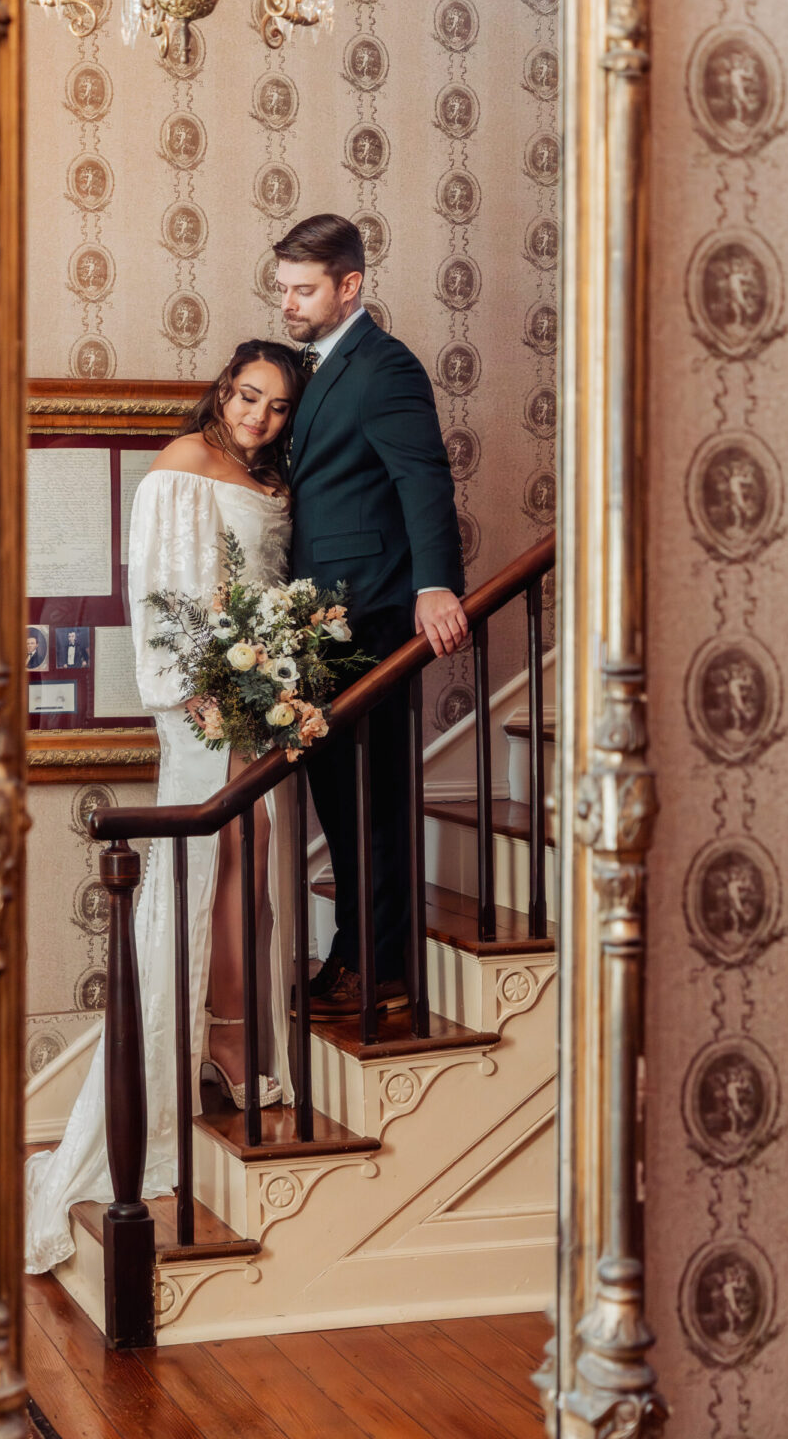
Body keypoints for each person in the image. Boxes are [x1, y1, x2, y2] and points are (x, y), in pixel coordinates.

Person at [25, 340, 306, 1276]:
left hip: (260, 685)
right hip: (205, 694)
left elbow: (261, 587)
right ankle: (192, 1061)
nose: (258, 417)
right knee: (207, 854)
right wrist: (199, 687)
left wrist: (278, 672)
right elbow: (167, 594)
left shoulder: (265, 471)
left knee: (253, 845)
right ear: (223, 389)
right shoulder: (180, 468)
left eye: (276, 406)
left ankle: (231, 1039)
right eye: (248, 396)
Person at [274, 213, 467, 1019]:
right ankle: (352, 951)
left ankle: (381, 968)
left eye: (303, 288)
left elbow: (423, 479)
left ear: (350, 285)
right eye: (281, 287)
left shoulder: (385, 367)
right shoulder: (308, 366)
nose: (286, 303)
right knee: (337, 798)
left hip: (375, 612)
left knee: (374, 795)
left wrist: (436, 586)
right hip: (318, 617)